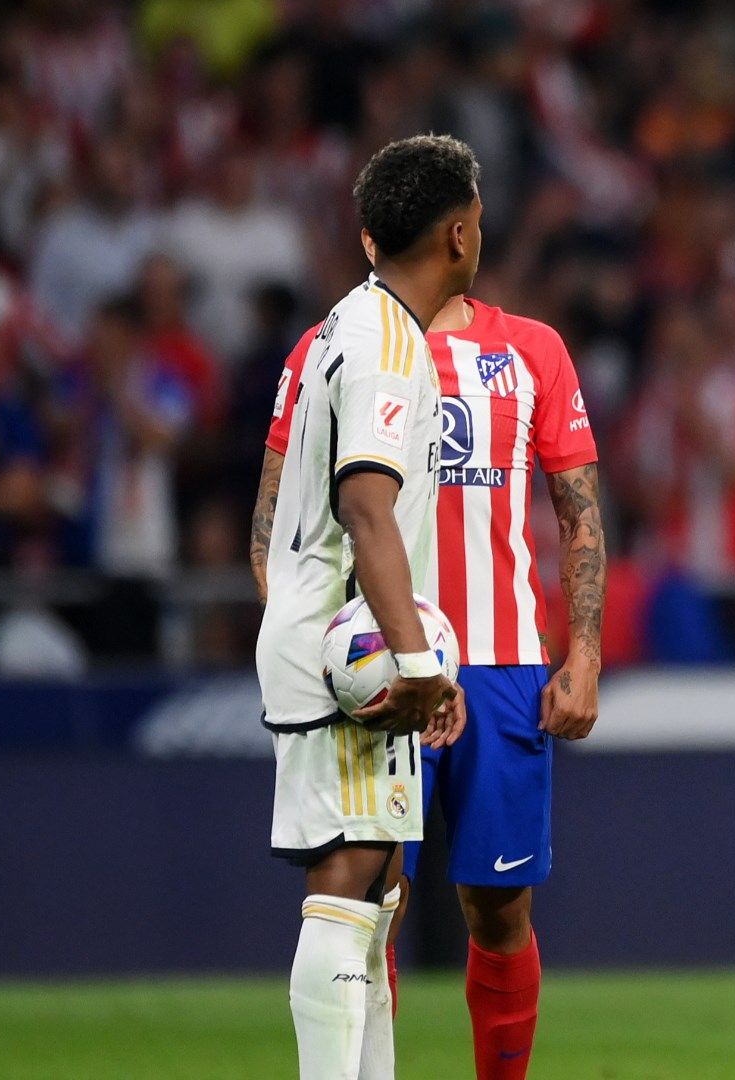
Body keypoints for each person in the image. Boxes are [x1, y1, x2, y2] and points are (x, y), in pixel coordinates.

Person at [253, 271, 605, 1080]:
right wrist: (333, 657)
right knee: (375, 903)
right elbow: (274, 520)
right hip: (383, 675)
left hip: (503, 667)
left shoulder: (531, 350)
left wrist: (582, 654)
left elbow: (578, 508)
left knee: (500, 908)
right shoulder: (329, 346)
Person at [255, 133, 480, 1080]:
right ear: (461, 235)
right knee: (348, 879)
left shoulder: (346, 324)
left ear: (366, 237)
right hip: (354, 653)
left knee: (376, 885)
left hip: (348, 637)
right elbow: (364, 502)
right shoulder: (389, 345)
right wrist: (418, 666)